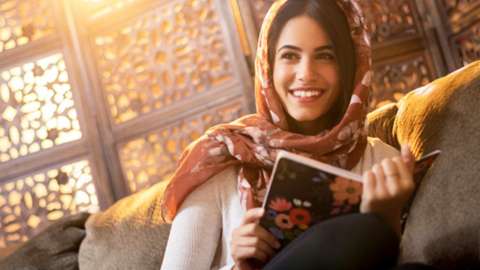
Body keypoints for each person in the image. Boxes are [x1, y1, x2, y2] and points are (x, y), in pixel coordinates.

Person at [160, 1, 434, 269]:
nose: (306, 73)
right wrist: (237, 264)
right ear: (268, 65)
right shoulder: (221, 156)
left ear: (349, 67)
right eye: (290, 56)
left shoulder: (382, 163)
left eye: (325, 56)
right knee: (359, 230)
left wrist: (386, 217)